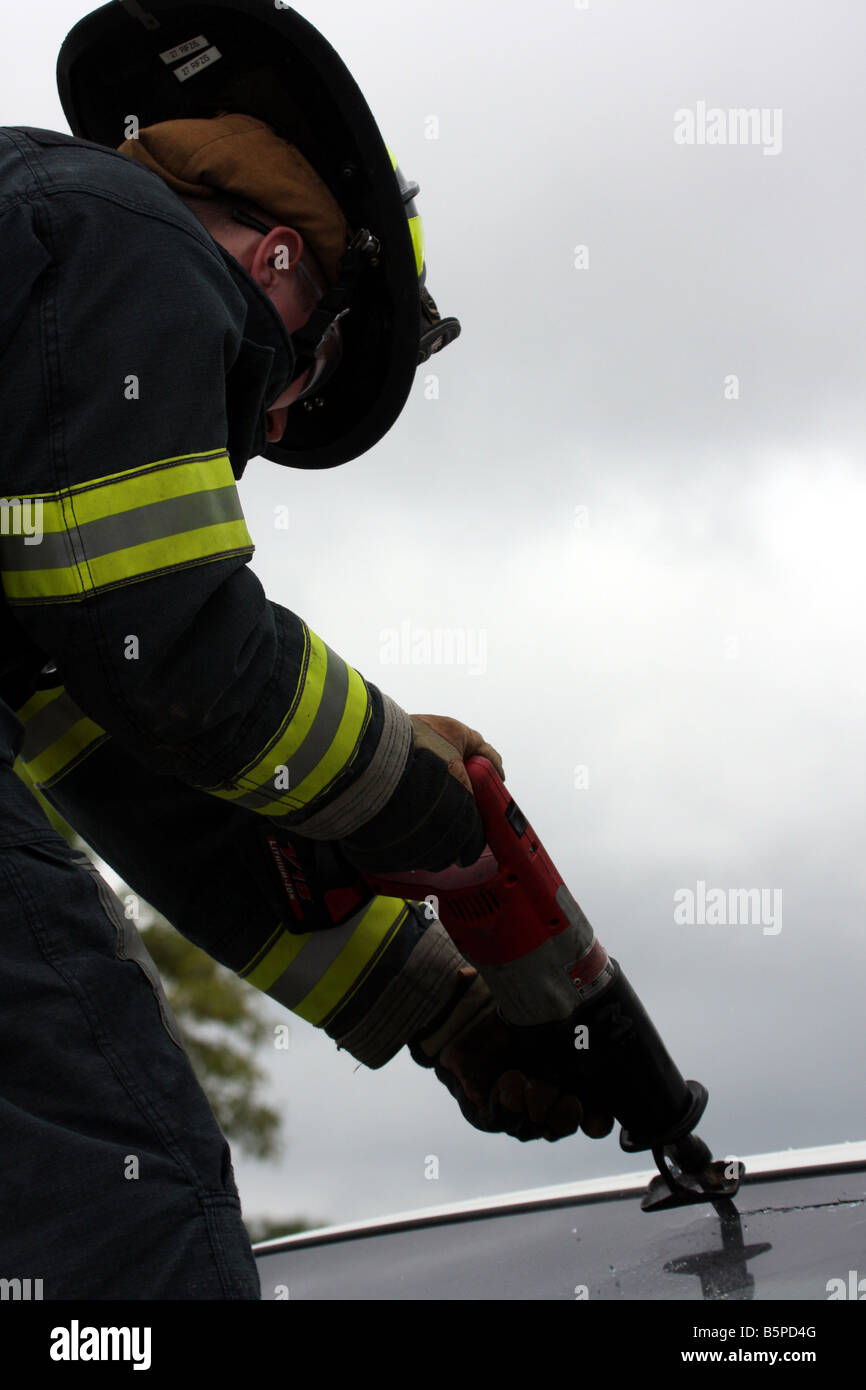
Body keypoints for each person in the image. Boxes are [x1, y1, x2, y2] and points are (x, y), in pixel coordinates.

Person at [0, 3, 610, 1300]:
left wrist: (431, 1002)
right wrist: (410, 789)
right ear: (279, 260)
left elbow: (111, 751)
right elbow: (168, 648)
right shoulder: (135, 239)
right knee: (127, 1199)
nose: (268, 428)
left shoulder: (36, 253)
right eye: (305, 372)